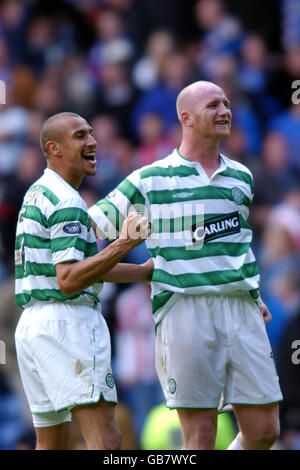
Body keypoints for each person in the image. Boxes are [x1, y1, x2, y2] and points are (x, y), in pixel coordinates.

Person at [88, 81, 283, 450]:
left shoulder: (242, 176)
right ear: (186, 118)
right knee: (201, 434)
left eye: (226, 103)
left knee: (264, 429)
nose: (224, 110)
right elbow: (88, 234)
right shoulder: (151, 179)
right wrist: (132, 268)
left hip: (241, 307)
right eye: (213, 105)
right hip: (185, 308)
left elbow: (237, 245)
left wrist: (253, 294)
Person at [14, 112, 151, 450]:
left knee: (51, 443)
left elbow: (76, 267)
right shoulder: (68, 201)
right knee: (106, 440)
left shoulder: (38, 192)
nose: (92, 142)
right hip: (68, 325)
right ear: (53, 148)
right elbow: (70, 280)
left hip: (33, 327)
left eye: (91, 133)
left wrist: (141, 271)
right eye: (79, 136)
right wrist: (125, 243)